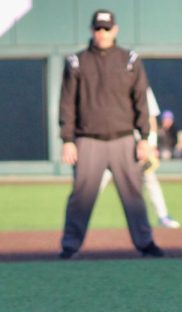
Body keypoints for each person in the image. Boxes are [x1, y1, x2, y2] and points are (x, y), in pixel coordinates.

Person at [58, 9, 164, 259]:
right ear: (91, 31)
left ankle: (145, 243)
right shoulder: (77, 61)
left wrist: (145, 139)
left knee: (133, 194)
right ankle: (70, 246)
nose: (102, 33)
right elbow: (66, 104)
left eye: (107, 28)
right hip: (88, 139)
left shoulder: (129, 60)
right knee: (81, 196)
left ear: (115, 30)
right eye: (98, 28)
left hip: (124, 139)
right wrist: (68, 140)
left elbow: (141, 102)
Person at [98, 87, 181, 229]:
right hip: (114, 141)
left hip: (140, 143)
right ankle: (80, 216)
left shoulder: (141, 86)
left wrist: (151, 145)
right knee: (98, 180)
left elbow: (151, 117)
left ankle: (163, 216)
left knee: (150, 179)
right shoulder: (109, 83)